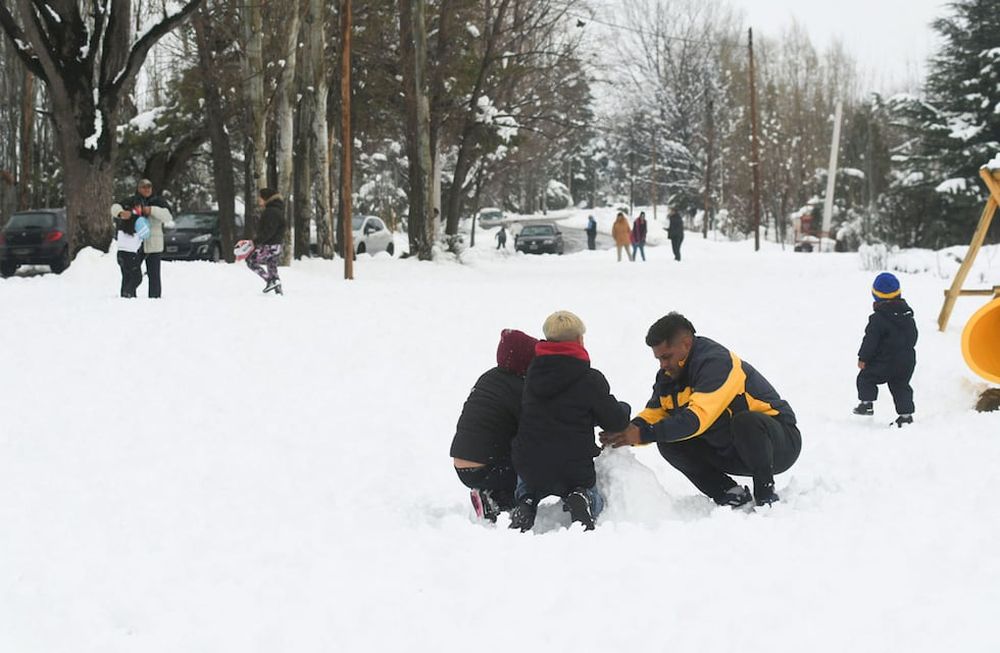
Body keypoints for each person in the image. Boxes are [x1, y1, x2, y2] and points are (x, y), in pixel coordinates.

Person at [601, 313, 800, 508]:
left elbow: (697, 419)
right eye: (659, 359)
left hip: (778, 446)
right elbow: (656, 412)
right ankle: (728, 493)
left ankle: (766, 496)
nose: (663, 365)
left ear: (686, 344)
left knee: (745, 422)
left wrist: (643, 434)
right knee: (668, 440)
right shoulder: (669, 374)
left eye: (666, 357)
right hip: (730, 449)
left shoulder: (718, 364)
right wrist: (628, 432)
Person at [510, 311, 630, 531]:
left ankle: (526, 501)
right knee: (590, 493)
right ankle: (581, 498)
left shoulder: (531, 377)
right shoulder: (590, 379)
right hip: (573, 468)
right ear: (579, 340)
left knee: (528, 480)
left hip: (531, 464)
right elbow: (616, 421)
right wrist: (623, 408)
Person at [450, 329, 539, 522]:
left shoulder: (489, 377)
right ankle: (495, 500)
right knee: (532, 466)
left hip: (461, 464)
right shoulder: (521, 388)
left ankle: (489, 494)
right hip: (487, 468)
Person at [853, 272, 918, 427]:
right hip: (906, 362)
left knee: (865, 378)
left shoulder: (877, 319)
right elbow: (914, 336)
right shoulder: (907, 315)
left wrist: (863, 358)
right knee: (901, 386)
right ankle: (906, 415)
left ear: (876, 296)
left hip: (885, 362)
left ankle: (866, 404)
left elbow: (870, 341)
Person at [112, 179, 173, 298]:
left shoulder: (158, 201)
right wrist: (121, 213)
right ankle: (127, 295)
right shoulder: (131, 201)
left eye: (149, 187)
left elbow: (168, 216)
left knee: (154, 275)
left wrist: (152, 210)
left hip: (153, 244)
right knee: (130, 273)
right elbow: (114, 207)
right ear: (138, 189)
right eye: (143, 187)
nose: (147, 190)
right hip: (134, 244)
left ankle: (155, 299)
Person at [246, 187, 286, 294]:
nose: (258, 200)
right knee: (271, 266)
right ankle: (278, 290)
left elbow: (268, 231)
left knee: (251, 261)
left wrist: (255, 242)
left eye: (260, 197)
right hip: (277, 245)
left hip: (269, 245)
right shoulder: (278, 210)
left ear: (266, 198)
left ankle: (270, 281)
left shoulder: (271, 212)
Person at [109, 202, 143, 298]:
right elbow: (145, 234)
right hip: (130, 254)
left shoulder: (121, 223)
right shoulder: (137, 221)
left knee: (126, 277)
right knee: (137, 277)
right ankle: (128, 293)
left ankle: (126, 296)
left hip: (121, 253)